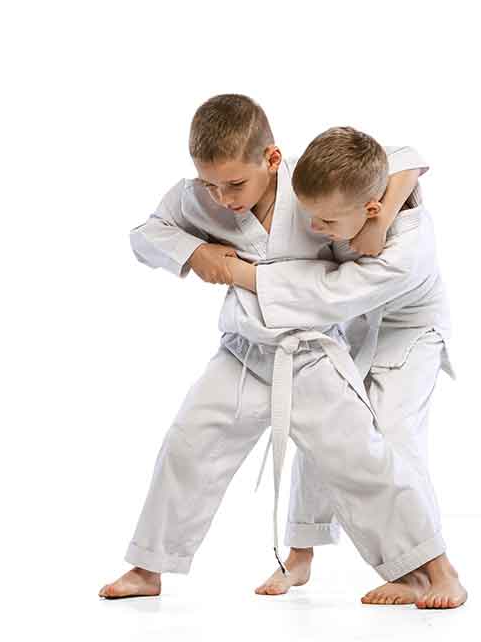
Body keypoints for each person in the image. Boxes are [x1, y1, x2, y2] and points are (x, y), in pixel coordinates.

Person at [98, 95, 456, 607]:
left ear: (271, 160)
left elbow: (394, 162)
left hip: (311, 353)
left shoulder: (311, 184)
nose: (223, 198)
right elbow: (146, 235)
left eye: (236, 184)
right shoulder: (198, 198)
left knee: (365, 458)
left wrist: (251, 275)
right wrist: (194, 251)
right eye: (211, 185)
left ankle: (436, 569)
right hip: (243, 351)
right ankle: (148, 566)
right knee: (187, 444)